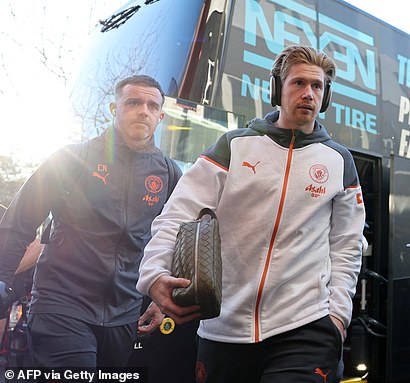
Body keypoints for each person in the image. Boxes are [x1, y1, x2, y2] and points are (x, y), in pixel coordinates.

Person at [137, 45, 366, 383]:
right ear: (277, 89)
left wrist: (337, 316)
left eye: (317, 86)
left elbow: (347, 245)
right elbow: (177, 214)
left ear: (326, 95)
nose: (308, 93)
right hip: (223, 329)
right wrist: (154, 273)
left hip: (306, 328)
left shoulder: (339, 161)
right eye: (299, 83)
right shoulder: (233, 146)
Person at [0, 74, 182, 368]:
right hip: (61, 305)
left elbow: (175, 239)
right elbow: (20, 222)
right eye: (133, 102)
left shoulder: (169, 174)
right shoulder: (71, 159)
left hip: (124, 315)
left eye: (152, 105)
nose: (143, 110)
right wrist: (2, 280)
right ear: (114, 108)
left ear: (161, 115)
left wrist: (163, 301)